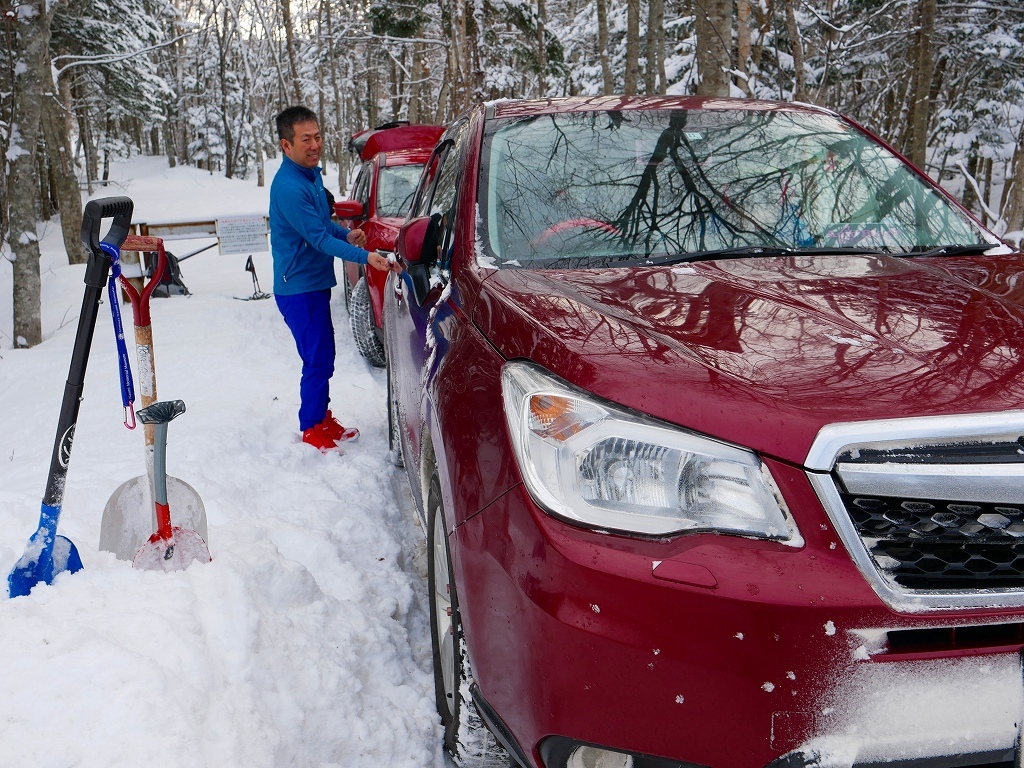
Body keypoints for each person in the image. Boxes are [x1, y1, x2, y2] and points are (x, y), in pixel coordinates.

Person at [270, 106, 400, 452]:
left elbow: (323, 225)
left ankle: (321, 416)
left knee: (323, 355)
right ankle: (311, 426)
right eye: (305, 139)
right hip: (298, 287)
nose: (315, 145)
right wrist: (366, 257)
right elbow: (317, 239)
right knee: (316, 359)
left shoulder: (310, 177)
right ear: (286, 146)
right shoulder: (289, 187)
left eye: (317, 136)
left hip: (314, 283)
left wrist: (346, 236)